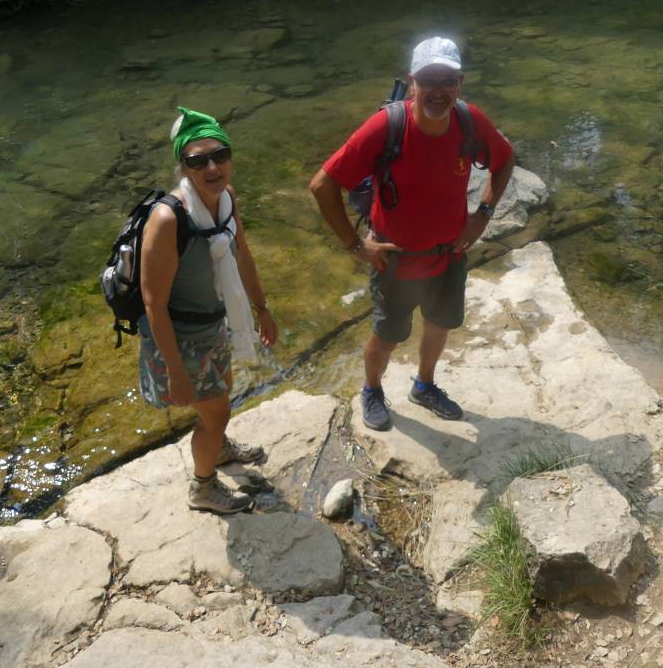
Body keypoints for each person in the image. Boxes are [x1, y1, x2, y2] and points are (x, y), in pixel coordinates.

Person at [310, 36, 514, 432]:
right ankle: (372, 390)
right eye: (429, 80)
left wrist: (482, 216)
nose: (438, 91)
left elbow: (505, 161)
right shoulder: (387, 126)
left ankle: (424, 385)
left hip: (449, 254)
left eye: (447, 81)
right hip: (395, 260)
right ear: (413, 82)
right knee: (387, 337)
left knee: (440, 325)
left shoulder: (470, 122)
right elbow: (322, 185)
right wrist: (356, 246)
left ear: (460, 83)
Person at [139, 106, 278, 514]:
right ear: (183, 166)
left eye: (220, 155)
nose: (212, 166)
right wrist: (175, 370)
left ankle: (216, 448)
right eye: (198, 160)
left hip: (215, 323)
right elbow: (153, 303)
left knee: (223, 394)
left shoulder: (225, 199)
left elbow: (243, 255)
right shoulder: (168, 219)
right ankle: (203, 488)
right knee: (216, 412)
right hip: (180, 337)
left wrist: (262, 310)